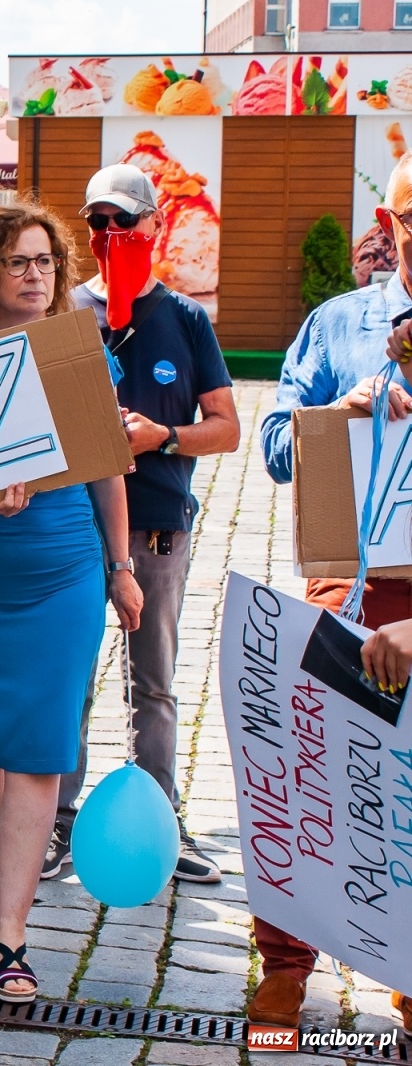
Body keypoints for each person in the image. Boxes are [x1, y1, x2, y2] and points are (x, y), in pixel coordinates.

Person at [0, 198, 142, 1004]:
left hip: (60, 572)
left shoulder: (78, 355)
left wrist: (121, 567)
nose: (34, 275)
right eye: (16, 261)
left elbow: (108, 471)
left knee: (41, 745)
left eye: (45, 261)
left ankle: (13, 933)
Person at [44, 165, 241, 884]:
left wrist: (164, 437)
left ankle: (160, 820)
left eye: (125, 221)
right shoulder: (66, 312)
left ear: (155, 224)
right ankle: (56, 818)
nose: (111, 234)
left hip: (156, 524)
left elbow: (227, 427)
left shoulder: (185, 318)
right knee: (69, 679)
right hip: (72, 525)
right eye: (98, 222)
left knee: (152, 681)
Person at [254, 151, 412, 1038]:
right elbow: (278, 448)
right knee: (308, 777)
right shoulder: (337, 323)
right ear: (389, 226)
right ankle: (285, 969)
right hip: (345, 581)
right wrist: (340, 416)